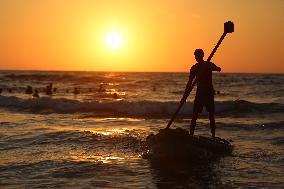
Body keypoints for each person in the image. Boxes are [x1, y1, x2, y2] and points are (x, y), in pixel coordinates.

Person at [181, 49, 221, 137]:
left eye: (198, 55)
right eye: (195, 56)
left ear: (202, 56)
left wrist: (211, 67)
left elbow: (218, 69)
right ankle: (191, 135)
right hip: (199, 94)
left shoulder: (208, 64)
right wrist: (184, 96)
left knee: (211, 115)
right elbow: (189, 82)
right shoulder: (194, 68)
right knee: (194, 115)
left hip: (209, 93)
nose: (196, 57)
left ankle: (213, 136)